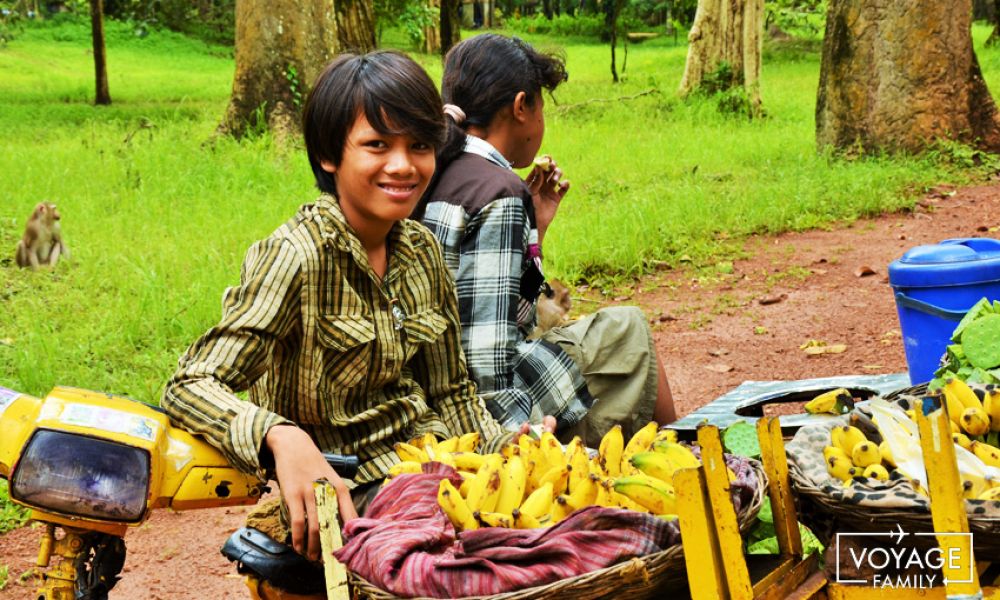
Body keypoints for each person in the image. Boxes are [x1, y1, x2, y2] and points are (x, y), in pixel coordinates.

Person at [162, 51, 553, 581]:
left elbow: (451, 393)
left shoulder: (421, 251)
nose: (402, 165)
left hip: (441, 464)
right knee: (483, 570)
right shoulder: (297, 256)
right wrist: (281, 437)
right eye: (377, 145)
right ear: (329, 155)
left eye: (419, 146)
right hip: (363, 490)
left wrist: (506, 446)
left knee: (582, 527)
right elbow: (190, 383)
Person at [415, 34, 676, 449]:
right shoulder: (497, 190)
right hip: (473, 411)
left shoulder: (427, 168)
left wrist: (536, 226)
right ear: (522, 107)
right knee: (630, 329)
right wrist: (517, 443)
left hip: (425, 385)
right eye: (540, 105)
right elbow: (488, 363)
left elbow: (491, 302)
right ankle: (684, 454)